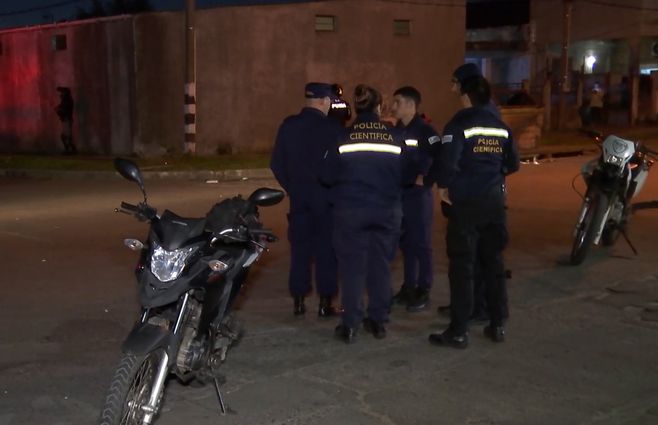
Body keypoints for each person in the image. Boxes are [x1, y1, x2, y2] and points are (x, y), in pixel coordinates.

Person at [428, 75, 519, 349]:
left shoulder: (459, 124)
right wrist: (491, 174)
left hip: (466, 205)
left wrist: (443, 188)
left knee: (462, 267)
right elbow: (513, 164)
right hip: (493, 205)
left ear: (465, 94)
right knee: (493, 265)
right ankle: (497, 324)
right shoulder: (500, 126)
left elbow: (447, 164)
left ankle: (458, 330)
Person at [321, 84, 406, 343]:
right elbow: (407, 174)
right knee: (380, 266)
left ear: (356, 108)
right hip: (385, 211)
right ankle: (378, 321)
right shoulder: (394, 137)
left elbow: (325, 175)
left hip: (351, 212)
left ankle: (350, 325)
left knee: (352, 269)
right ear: (379, 107)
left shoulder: (343, 138)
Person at [270, 82, 341, 318]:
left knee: (300, 251)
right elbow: (340, 166)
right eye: (330, 100)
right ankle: (324, 303)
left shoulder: (289, 126)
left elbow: (276, 164)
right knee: (326, 251)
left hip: (299, 198)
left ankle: (298, 302)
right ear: (323, 101)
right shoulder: (332, 128)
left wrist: (292, 187)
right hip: (325, 198)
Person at [390, 86, 439, 312]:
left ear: (411, 105)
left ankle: (423, 288)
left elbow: (441, 158)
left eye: (398, 102)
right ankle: (408, 287)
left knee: (420, 244)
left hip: (417, 196)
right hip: (400, 193)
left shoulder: (426, 131)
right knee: (406, 243)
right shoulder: (397, 130)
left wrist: (427, 180)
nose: (393, 106)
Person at [55, 87, 77, 155]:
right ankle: (71, 149)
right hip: (65, 119)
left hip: (67, 119)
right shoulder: (65, 100)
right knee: (67, 136)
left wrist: (59, 110)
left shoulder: (68, 100)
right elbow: (60, 107)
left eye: (63, 92)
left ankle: (69, 150)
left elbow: (65, 110)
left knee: (65, 136)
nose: (61, 94)